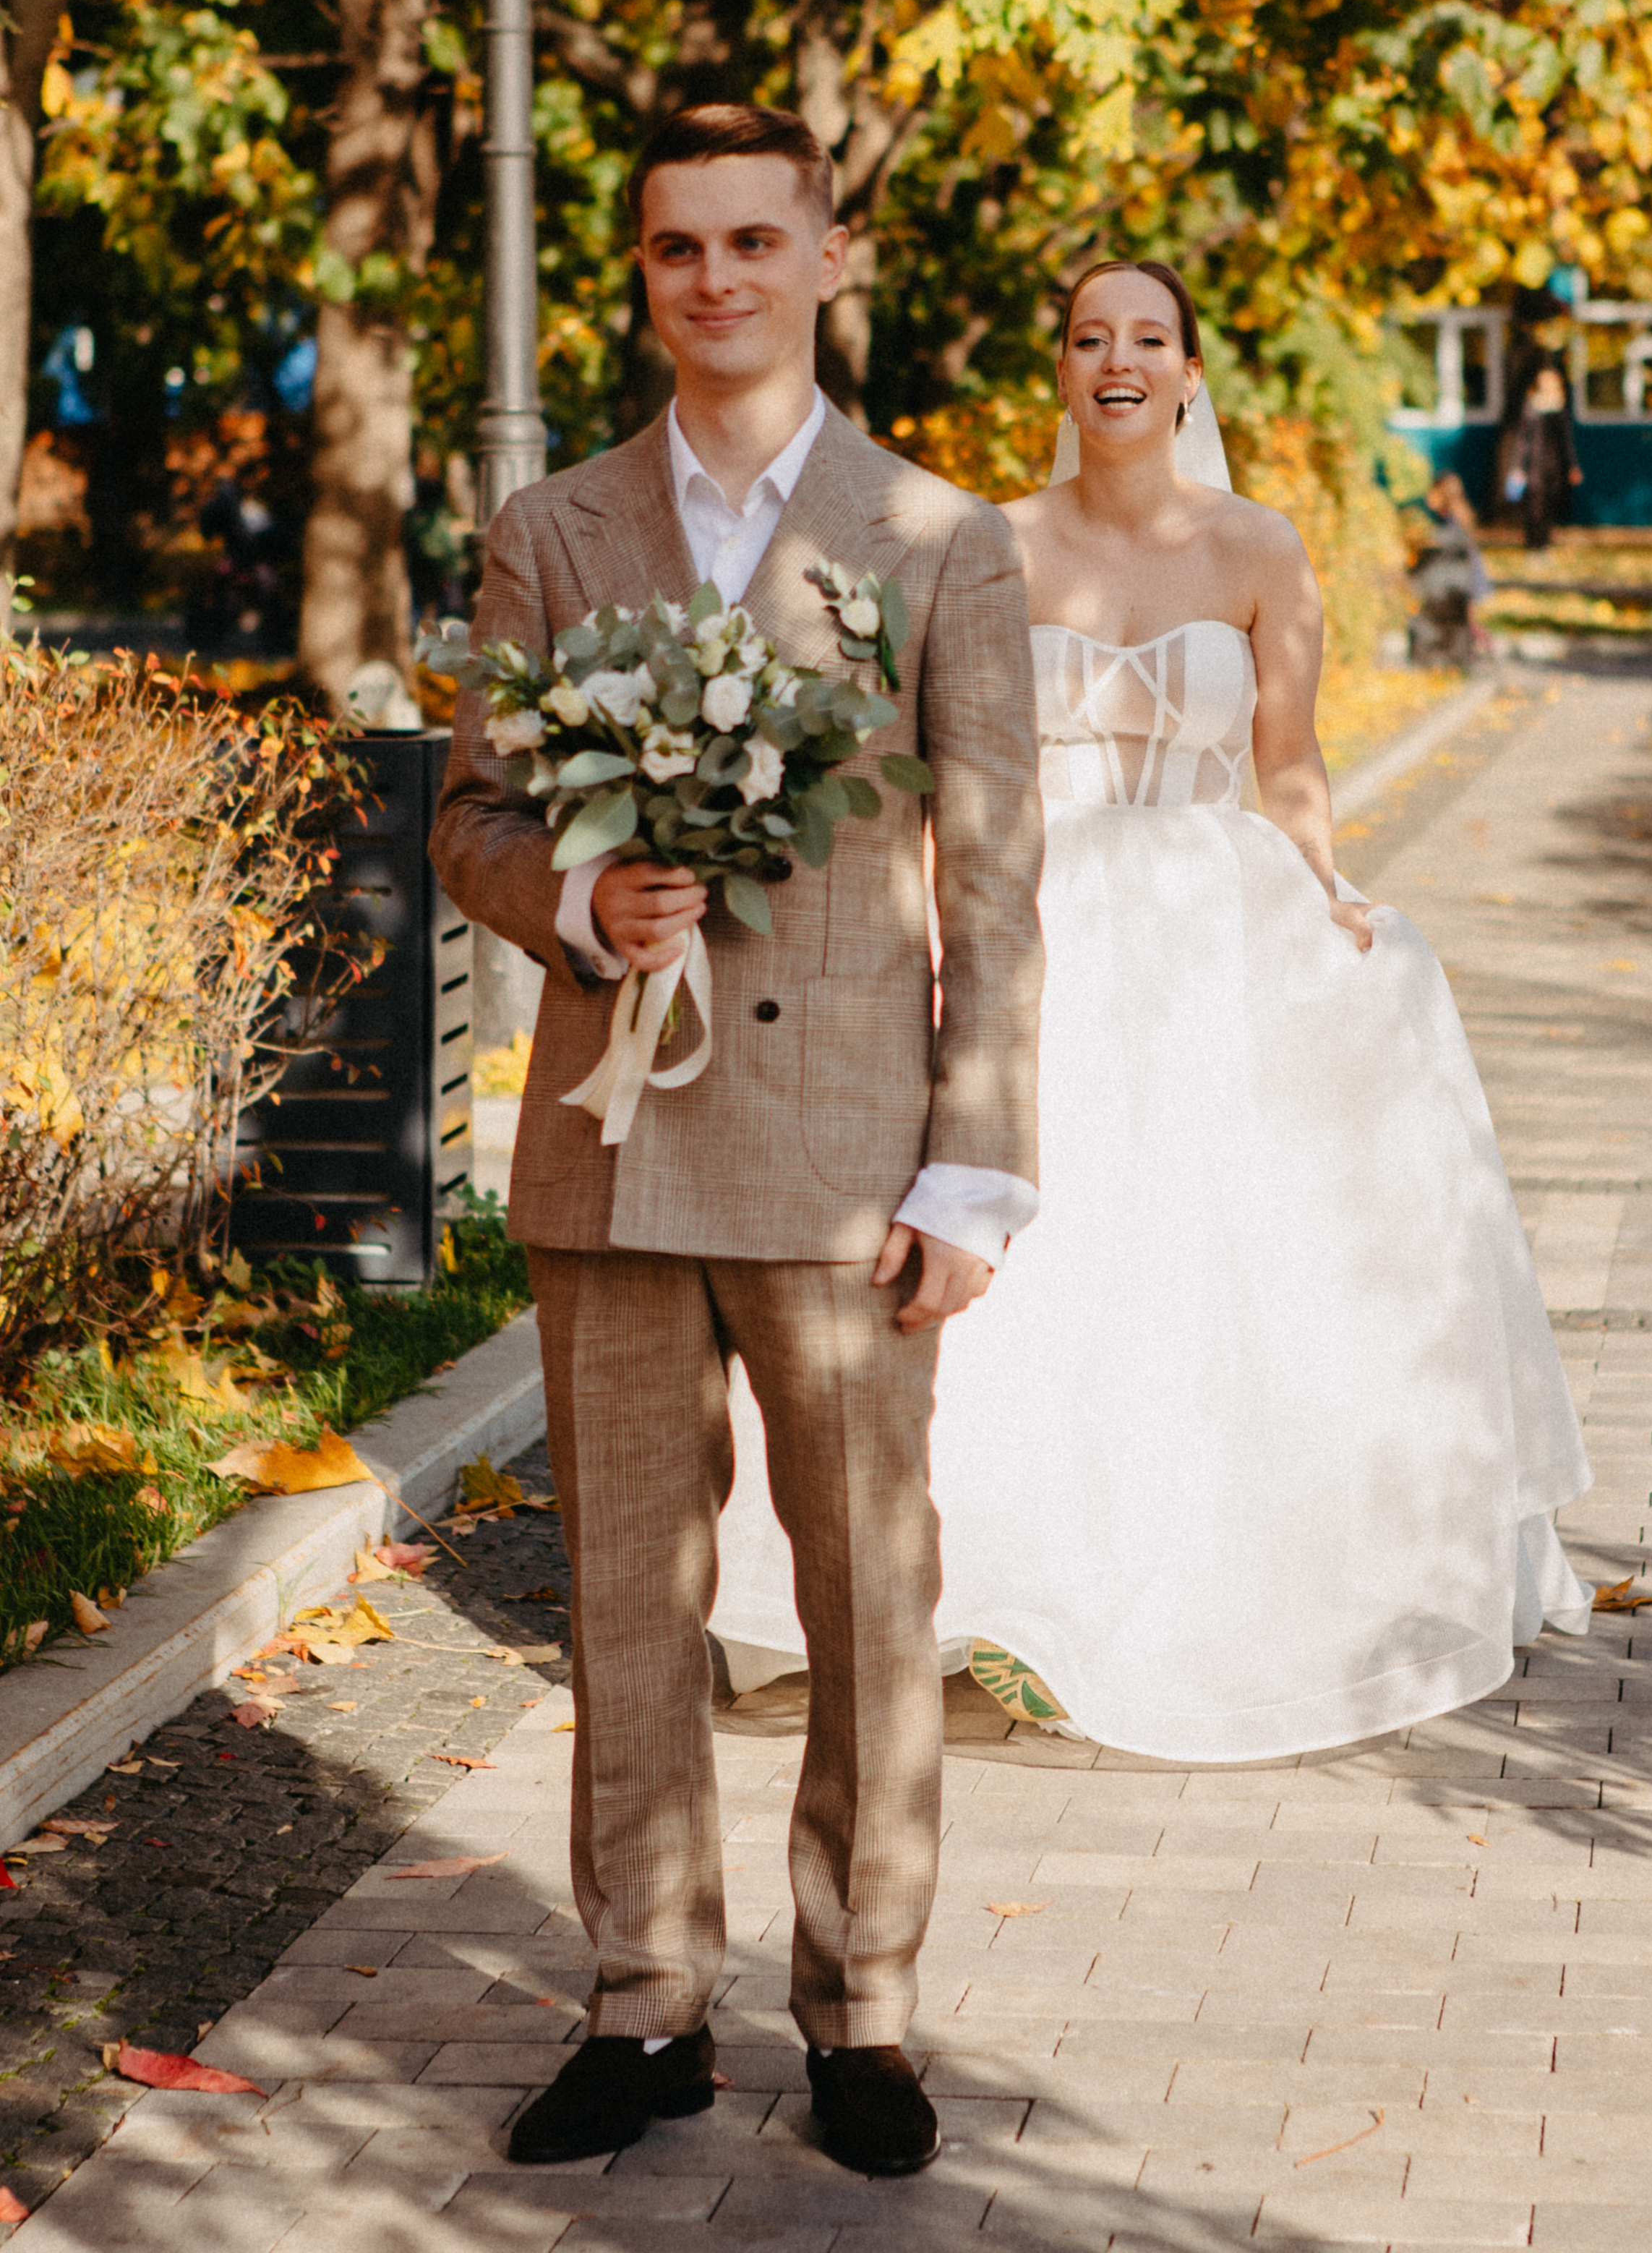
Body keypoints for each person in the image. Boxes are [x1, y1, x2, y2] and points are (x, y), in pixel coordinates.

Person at [712, 257, 1592, 1764]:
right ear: (1059, 372)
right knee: (1034, 1233)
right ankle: (980, 1588)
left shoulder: (1257, 546)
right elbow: (941, 762)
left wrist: (1326, 887)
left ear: (1188, 373)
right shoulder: (985, 542)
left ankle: (1199, 1562)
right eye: (1085, 338)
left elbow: (1289, 761)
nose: (1115, 361)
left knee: (1205, 1238)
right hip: (1036, 915)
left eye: (1146, 339)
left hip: (1206, 920)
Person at [429, 104, 1044, 2179]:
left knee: (872, 1596)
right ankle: (647, 2009)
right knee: (623, 1600)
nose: (718, 282)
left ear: (824, 258)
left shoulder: (940, 535)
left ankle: (862, 2011)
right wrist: (577, 903)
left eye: (754, 243)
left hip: (850, 1155)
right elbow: (473, 813)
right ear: (643, 272)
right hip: (613, 1145)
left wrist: (980, 1162)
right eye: (679, 249)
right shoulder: (553, 526)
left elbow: (1001, 879)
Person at [1409, 469, 1491, 664]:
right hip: (1465, 578)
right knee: (1468, 622)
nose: (1429, 496)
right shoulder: (1454, 517)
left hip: (1462, 579)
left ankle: (1475, 651)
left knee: (1467, 623)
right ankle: (1474, 650)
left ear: (1441, 493)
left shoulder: (1452, 522)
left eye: (1433, 491)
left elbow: (1455, 549)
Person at [1505, 364, 1582, 552]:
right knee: (1534, 506)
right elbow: (1522, 440)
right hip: (1533, 466)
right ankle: (1533, 544)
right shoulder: (1531, 408)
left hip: (1554, 467)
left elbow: (1566, 440)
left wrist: (1572, 466)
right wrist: (1517, 467)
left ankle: (1545, 544)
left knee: (1551, 505)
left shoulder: (1559, 409)